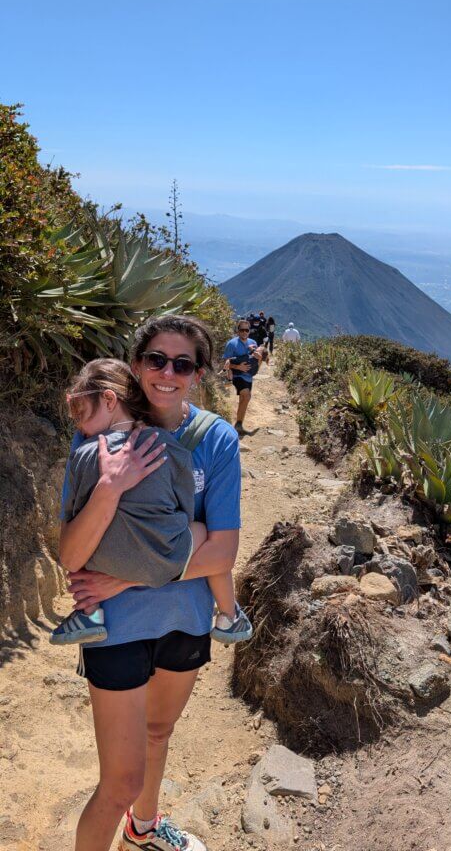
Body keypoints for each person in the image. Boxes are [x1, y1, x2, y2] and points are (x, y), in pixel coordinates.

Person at [59, 314, 243, 851]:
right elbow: (71, 555)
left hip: (184, 618)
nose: (168, 373)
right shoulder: (98, 437)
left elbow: (224, 550)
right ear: (136, 365)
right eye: (156, 359)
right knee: (119, 783)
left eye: (183, 364)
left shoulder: (215, 439)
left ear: (199, 374)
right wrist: (111, 487)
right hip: (117, 630)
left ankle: (143, 829)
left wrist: (120, 581)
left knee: (158, 734)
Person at [51, 358, 251, 647]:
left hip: (102, 563)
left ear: (109, 400)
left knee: (87, 540)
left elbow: (74, 511)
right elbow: (183, 501)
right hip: (160, 555)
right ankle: (229, 616)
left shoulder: (83, 453)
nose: (80, 428)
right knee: (198, 529)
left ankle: (89, 614)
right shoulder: (163, 443)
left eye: (80, 415)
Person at [222, 319, 262, 437]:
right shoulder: (231, 344)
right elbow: (226, 363)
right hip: (237, 375)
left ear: (249, 331)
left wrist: (258, 359)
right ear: (238, 331)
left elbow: (257, 360)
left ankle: (238, 426)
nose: (244, 332)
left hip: (248, 376)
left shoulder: (253, 342)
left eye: (246, 330)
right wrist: (238, 367)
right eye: (242, 330)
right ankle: (238, 425)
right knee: (246, 395)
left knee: (244, 399)